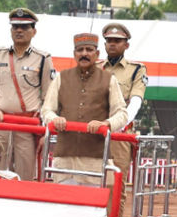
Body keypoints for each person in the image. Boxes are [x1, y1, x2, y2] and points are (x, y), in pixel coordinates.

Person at [42, 33, 128, 187]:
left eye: (89, 50)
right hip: (65, 157)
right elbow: (46, 110)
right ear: (74, 54)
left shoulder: (109, 80)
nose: (84, 54)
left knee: (92, 208)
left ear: (97, 54)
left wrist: (106, 124)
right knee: (64, 206)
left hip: (95, 159)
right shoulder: (62, 78)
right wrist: (55, 119)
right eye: (80, 50)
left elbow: (122, 114)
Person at [0, 7, 56, 182]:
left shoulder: (43, 58)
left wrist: (45, 129)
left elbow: (49, 97)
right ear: (10, 30)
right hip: (1, 123)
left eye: (25, 27)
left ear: (34, 31)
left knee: (26, 174)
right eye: (15, 27)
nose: (19, 31)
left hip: (27, 125)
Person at [100, 22, 147, 189]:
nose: (112, 44)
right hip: (96, 132)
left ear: (126, 45)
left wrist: (119, 124)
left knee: (117, 184)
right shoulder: (95, 68)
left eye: (117, 41)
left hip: (119, 133)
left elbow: (135, 101)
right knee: (93, 180)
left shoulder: (136, 70)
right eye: (109, 40)